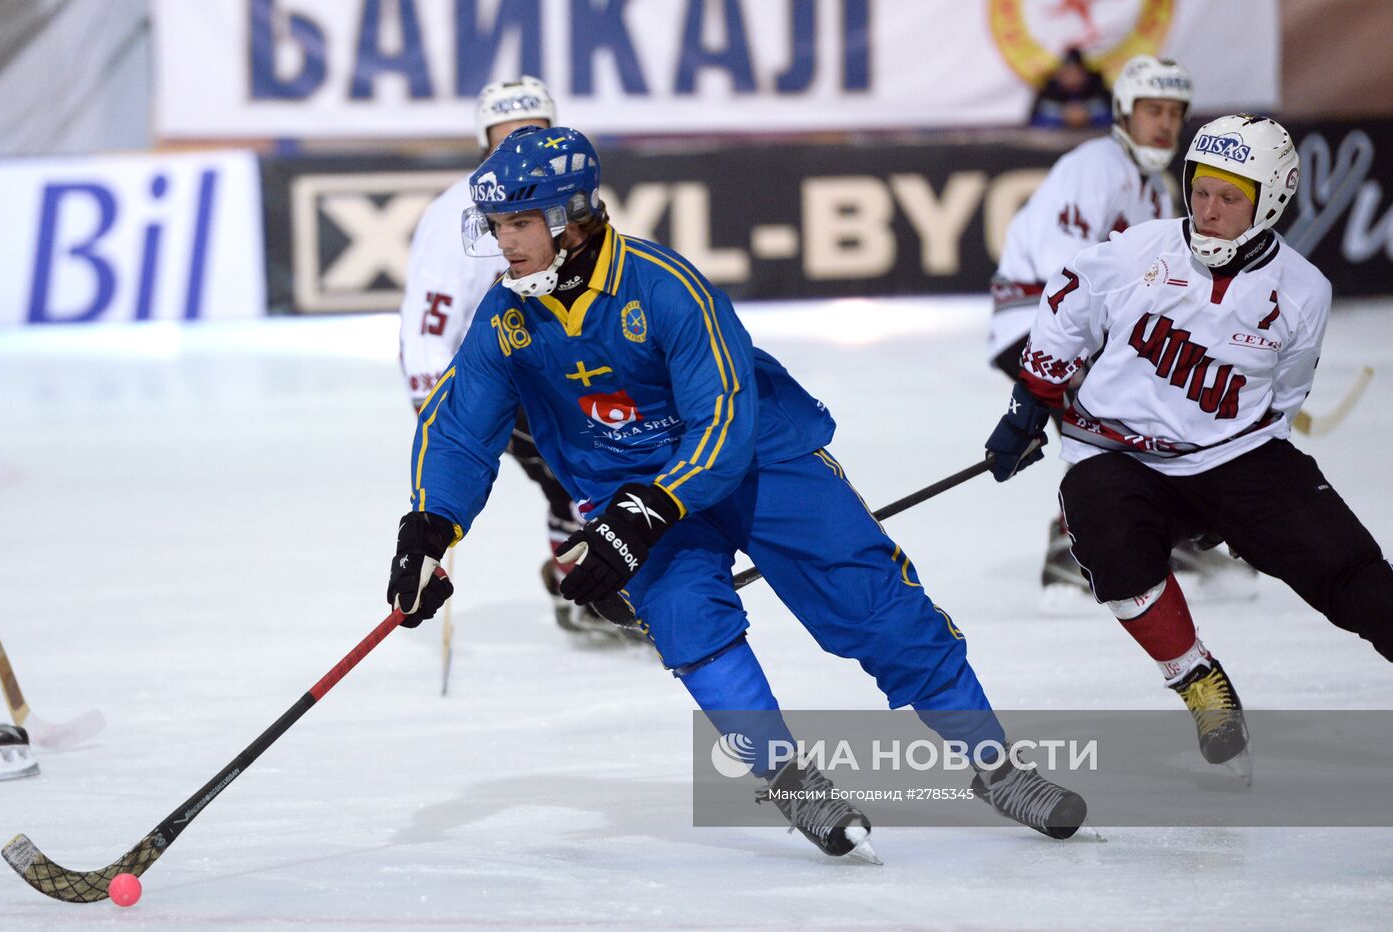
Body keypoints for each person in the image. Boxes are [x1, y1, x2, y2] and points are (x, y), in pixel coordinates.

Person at [385, 125, 1089, 861]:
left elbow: (722, 415)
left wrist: (644, 513)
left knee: (877, 608)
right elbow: (461, 429)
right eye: (497, 226)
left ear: (573, 217)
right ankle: (791, 781)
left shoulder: (664, 287)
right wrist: (430, 528)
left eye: (520, 223)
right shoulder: (505, 319)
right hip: (633, 490)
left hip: (756, 458)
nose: (505, 243)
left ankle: (995, 766)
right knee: (689, 622)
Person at [984, 113, 1393, 782]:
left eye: (1230, 197)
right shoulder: (1140, 250)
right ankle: (1198, 680)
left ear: (1272, 200)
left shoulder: (1303, 292)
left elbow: (1283, 398)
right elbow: (1065, 303)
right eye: (1199, 190)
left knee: (1354, 576)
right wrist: (1032, 398)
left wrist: (1239, 503)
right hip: (1119, 457)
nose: (1208, 211)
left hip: (1237, 457)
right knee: (1107, 543)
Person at [994, 55, 1252, 602]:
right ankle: (1072, 544)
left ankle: (1165, 530)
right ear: (1123, 113)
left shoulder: (1156, 188)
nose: (1163, 123)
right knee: (1111, 416)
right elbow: (1064, 269)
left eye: (1173, 112)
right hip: (1035, 322)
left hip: (1085, 327)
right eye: (1151, 110)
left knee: (1167, 404)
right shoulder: (1096, 165)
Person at [399, 77, 632, 645]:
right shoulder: (459, 214)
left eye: (534, 130)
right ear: (485, 138)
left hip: (561, 367)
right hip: (496, 378)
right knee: (583, 477)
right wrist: (443, 416)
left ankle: (582, 579)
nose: (521, 142)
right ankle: (583, 587)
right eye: (507, 131)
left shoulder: (562, 198)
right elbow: (427, 326)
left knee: (601, 474)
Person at [1028, 47, 1111, 130]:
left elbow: (1112, 119)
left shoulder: (1097, 89)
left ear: (1084, 74)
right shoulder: (1048, 91)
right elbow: (1035, 122)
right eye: (1066, 73)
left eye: (1075, 73)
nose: (1070, 77)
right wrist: (1062, 117)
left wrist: (1088, 116)